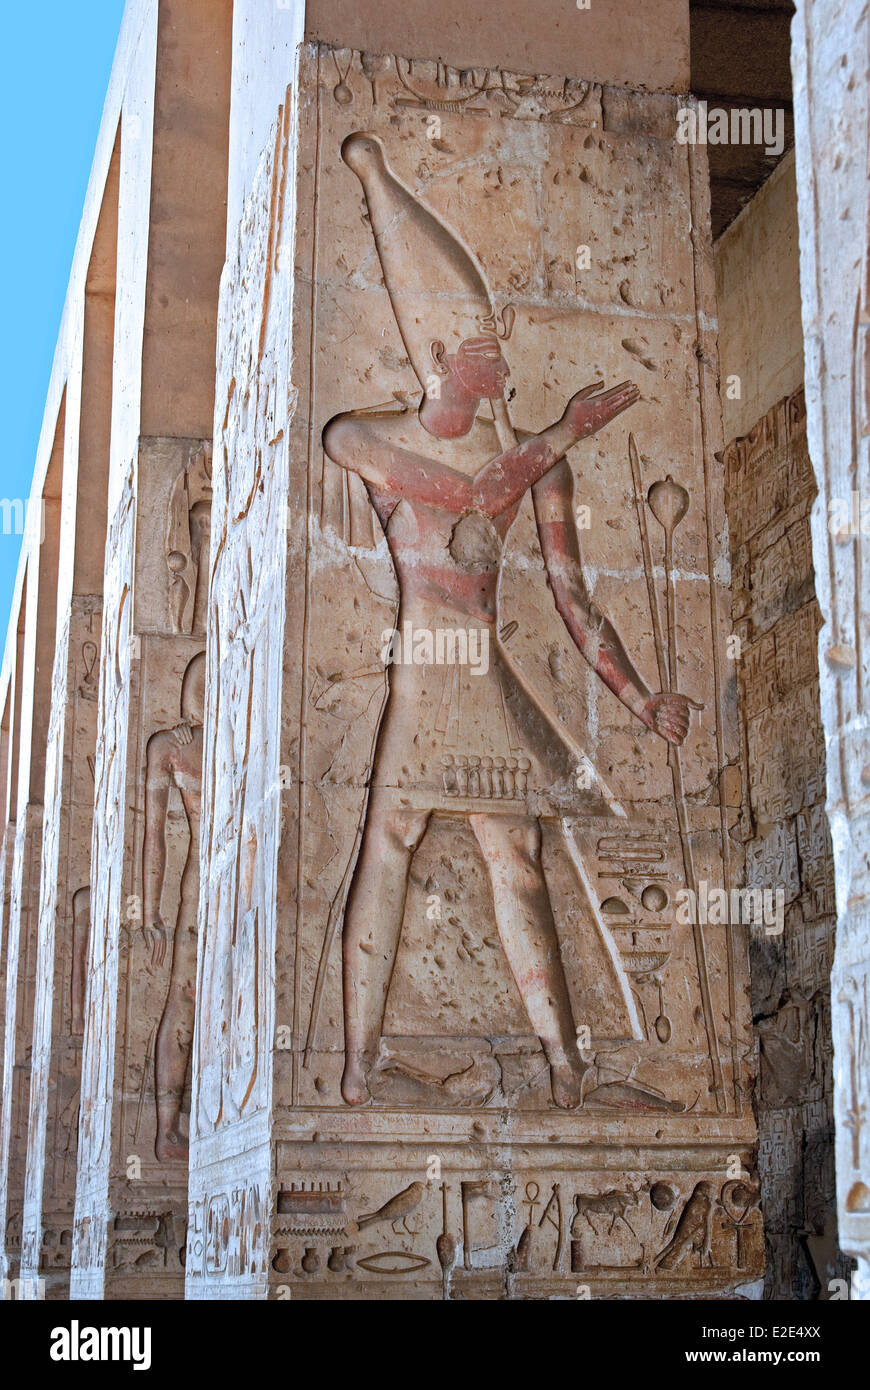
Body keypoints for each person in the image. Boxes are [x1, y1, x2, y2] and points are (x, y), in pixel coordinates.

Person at [323, 135, 697, 1109]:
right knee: (390, 844)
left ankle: (566, 1064)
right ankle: (358, 1066)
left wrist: (640, 694)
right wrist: (558, 435)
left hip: (484, 680)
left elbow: (576, 602)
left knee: (519, 862)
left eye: (500, 348)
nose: (499, 367)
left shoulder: (535, 461)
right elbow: (460, 492)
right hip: (425, 677)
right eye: (482, 350)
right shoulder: (369, 439)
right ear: (440, 353)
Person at [142, 651, 205, 1159]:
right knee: (184, 1002)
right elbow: (153, 836)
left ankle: (175, 1127)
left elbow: (154, 837)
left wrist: (151, 913)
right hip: (210, 880)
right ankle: (167, 1131)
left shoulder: (175, 746)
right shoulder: (172, 746)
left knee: (188, 1002)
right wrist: (148, 913)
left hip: (208, 880)